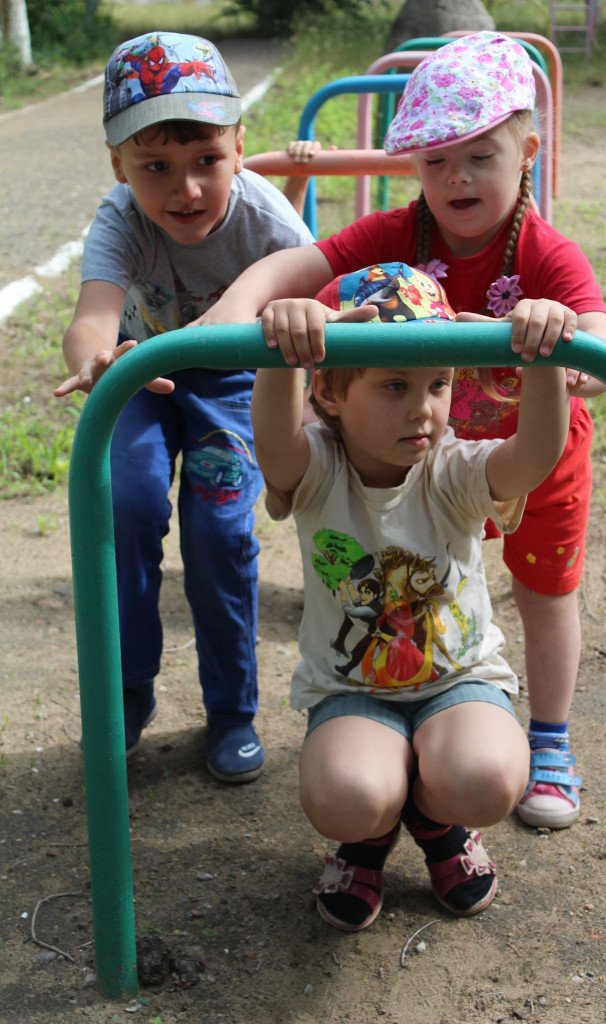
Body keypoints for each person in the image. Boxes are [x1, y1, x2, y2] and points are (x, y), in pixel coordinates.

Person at [191, 32, 606, 826]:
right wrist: (233, 313)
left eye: (479, 156)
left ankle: (549, 737)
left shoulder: (543, 252)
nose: (456, 176)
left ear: (526, 153)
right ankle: (400, 744)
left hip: (529, 451)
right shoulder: (395, 236)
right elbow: (292, 269)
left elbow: (605, 351)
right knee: (411, 575)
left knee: (543, 592)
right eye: (435, 159)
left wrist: (560, 345)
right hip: (410, 456)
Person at [250, 261, 570, 931]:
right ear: (329, 392)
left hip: (458, 682)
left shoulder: (453, 469)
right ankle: (369, 836)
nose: (423, 408)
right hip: (353, 689)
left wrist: (540, 360)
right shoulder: (317, 469)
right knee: (348, 797)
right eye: (395, 385)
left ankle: (433, 819)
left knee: (486, 780)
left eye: (437, 383)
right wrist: (284, 354)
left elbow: (536, 454)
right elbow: (274, 444)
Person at [54, 31, 314, 782]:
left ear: (239, 146)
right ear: (119, 165)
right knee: (125, 505)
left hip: (231, 383)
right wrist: (96, 361)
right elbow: (92, 318)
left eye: (206, 160)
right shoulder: (122, 219)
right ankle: (125, 693)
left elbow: (313, 309)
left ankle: (231, 711)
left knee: (220, 532)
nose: (186, 190)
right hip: (142, 377)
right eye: (156, 168)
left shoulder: (268, 222)